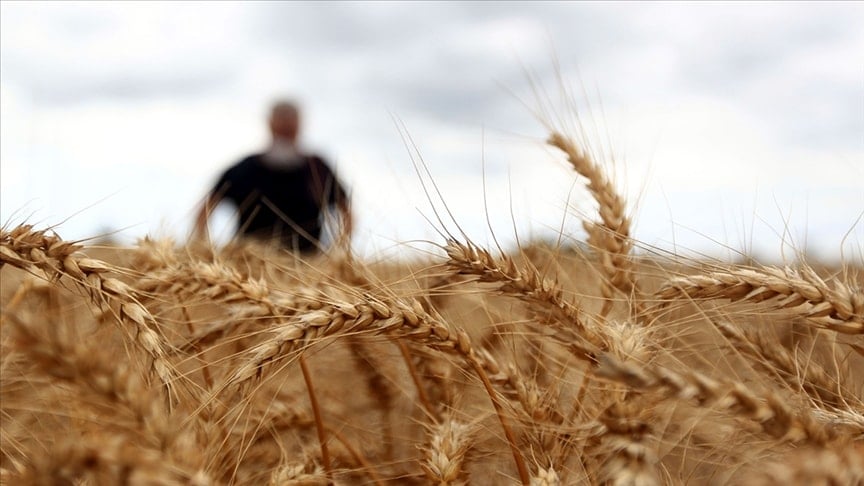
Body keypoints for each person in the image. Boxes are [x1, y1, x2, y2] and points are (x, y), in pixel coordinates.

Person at [195, 100, 351, 253]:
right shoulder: (244, 170)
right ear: (270, 123)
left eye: (290, 122)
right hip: (248, 268)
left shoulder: (318, 169)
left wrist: (335, 253)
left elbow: (346, 212)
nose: (285, 127)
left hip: (306, 267)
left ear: (300, 124)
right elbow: (205, 209)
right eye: (281, 121)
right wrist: (205, 250)